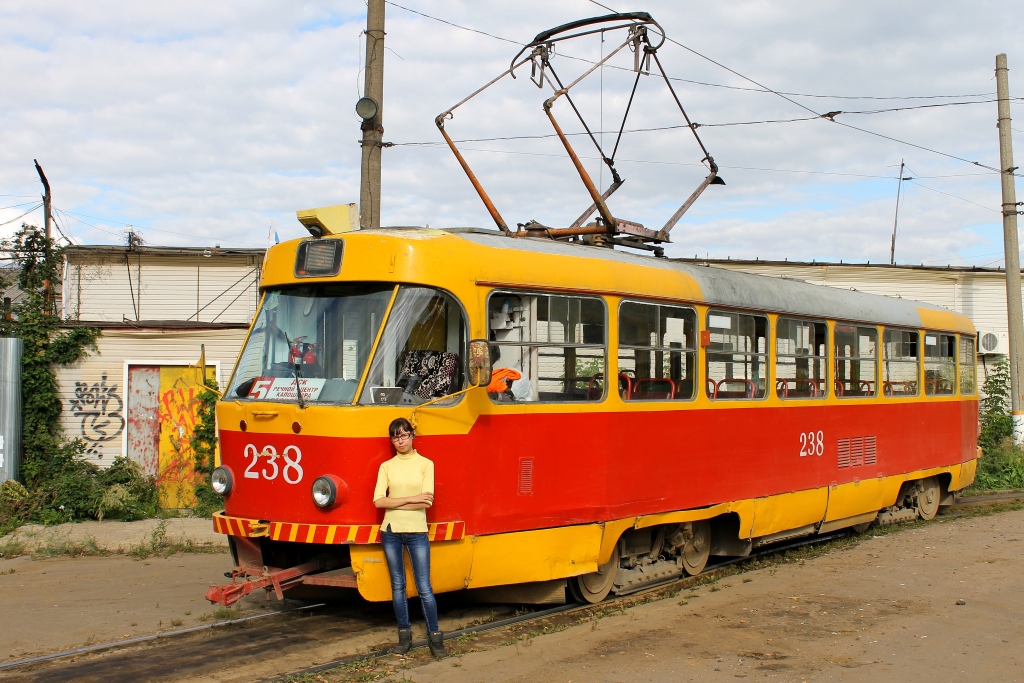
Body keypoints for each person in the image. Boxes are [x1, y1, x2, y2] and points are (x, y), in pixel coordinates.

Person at [373, 417, 447, 659]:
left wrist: (396, 502)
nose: (400, 440)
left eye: (404, 435)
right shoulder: (386, 466)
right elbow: (378, 501)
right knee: (398, 586)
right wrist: (411, 498)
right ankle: (404, 636)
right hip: (391, 531)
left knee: (424, 587)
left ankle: (435, 637)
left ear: (412, 436)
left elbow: (426, 501)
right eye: (395, 437)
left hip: (417, 532)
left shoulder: (426, 464)